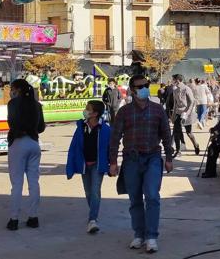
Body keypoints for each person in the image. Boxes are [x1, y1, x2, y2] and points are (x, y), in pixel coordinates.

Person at [109, 75, 174, 254]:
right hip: (131, 159)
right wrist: (113, 162)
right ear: (132, 90)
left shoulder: (157, 109)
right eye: (140, 86)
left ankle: (151, 236)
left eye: (146, 85)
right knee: (135, 198)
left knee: (152, 196)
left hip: (153, 157)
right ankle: (139, 234)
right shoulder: (124, 112)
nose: (144, 88)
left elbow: (166, 134)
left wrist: (169, 158)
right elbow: (115, 138)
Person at [66, 100, 111, 233]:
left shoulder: (105, 129)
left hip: (98, 165)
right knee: (88, 192)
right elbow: (73, 147)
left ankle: (92, 219)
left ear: (95, 113)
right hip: (84, 165)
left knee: (95, 191)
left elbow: (111, 148)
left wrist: (112, 164)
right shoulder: (81, 127)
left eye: (88, 108)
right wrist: (70, 166)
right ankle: (93, 214)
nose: (85, 110)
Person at [6, 79, 46, 231]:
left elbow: (11, 123)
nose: (11, 91)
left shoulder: (13, 104)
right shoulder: (37, 105)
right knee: (34, 182)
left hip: (18, 142)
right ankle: (33, 217)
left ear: (17, 89)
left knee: (17, 183)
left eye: (12, 89)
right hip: (34, 144)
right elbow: (41, 127)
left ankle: (14, 219)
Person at [171, 74, 200, 156]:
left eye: (173, 80)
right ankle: (178, 150)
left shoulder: (187, 89)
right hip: (178, 113)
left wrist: (186, 114)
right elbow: (175, 104)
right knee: (176, 132)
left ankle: (196, 145)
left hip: (187, 113)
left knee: (189, 133)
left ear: (177, 80)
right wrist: (173, 116)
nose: (172, 81)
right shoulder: (175, 90)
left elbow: (192, 102)